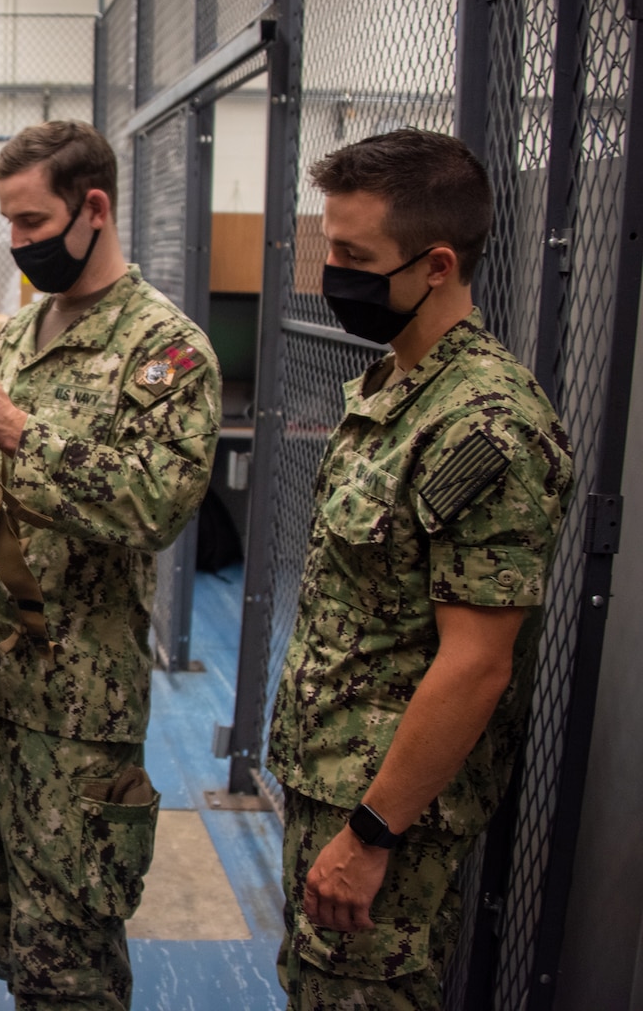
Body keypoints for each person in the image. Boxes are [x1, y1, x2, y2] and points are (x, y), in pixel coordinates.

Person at [0, 120, 221, 1009]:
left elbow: (154, 506)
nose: (18, 243)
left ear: (94, 208)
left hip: (73, 711)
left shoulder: (164, 350)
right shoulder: (16, 339)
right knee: (0, 919)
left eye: (33, 222)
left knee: (71, 957)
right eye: (7, 224)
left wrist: (19, 431)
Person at [266, 129, 574, 1010]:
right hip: (331, 782)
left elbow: (476, 662)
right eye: (332, 248)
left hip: (387, 820)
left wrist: (370, 834)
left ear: (437, 264)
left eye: (357, 256)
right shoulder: (394, 386)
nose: (335, 274)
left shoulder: (485, 426)